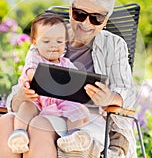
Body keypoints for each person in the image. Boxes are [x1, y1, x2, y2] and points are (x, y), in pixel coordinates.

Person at [0, 0, 137, 158]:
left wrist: (109, 97)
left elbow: (129, 93)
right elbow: (18, 95)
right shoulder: (49, 36)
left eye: (96, 18)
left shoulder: (114, 45)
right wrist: (21, 94)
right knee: (6, 122)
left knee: (39, 128)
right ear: (70, 10)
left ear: (105, 20)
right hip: (40, 109)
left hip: (83, 121)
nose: (85, 24)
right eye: (80, 14)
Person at [7, 12, 90, 154]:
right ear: (34, 42)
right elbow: (31, 73)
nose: (53, 46)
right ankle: (19, 133)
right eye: (46, 41)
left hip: (59, 103)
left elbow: (77, 79)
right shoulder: (35, 57)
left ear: (65, 42)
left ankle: (72, 136)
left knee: (78, 109)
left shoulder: (66, 63)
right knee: (26, 107)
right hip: (38, 100)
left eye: (59, 42)